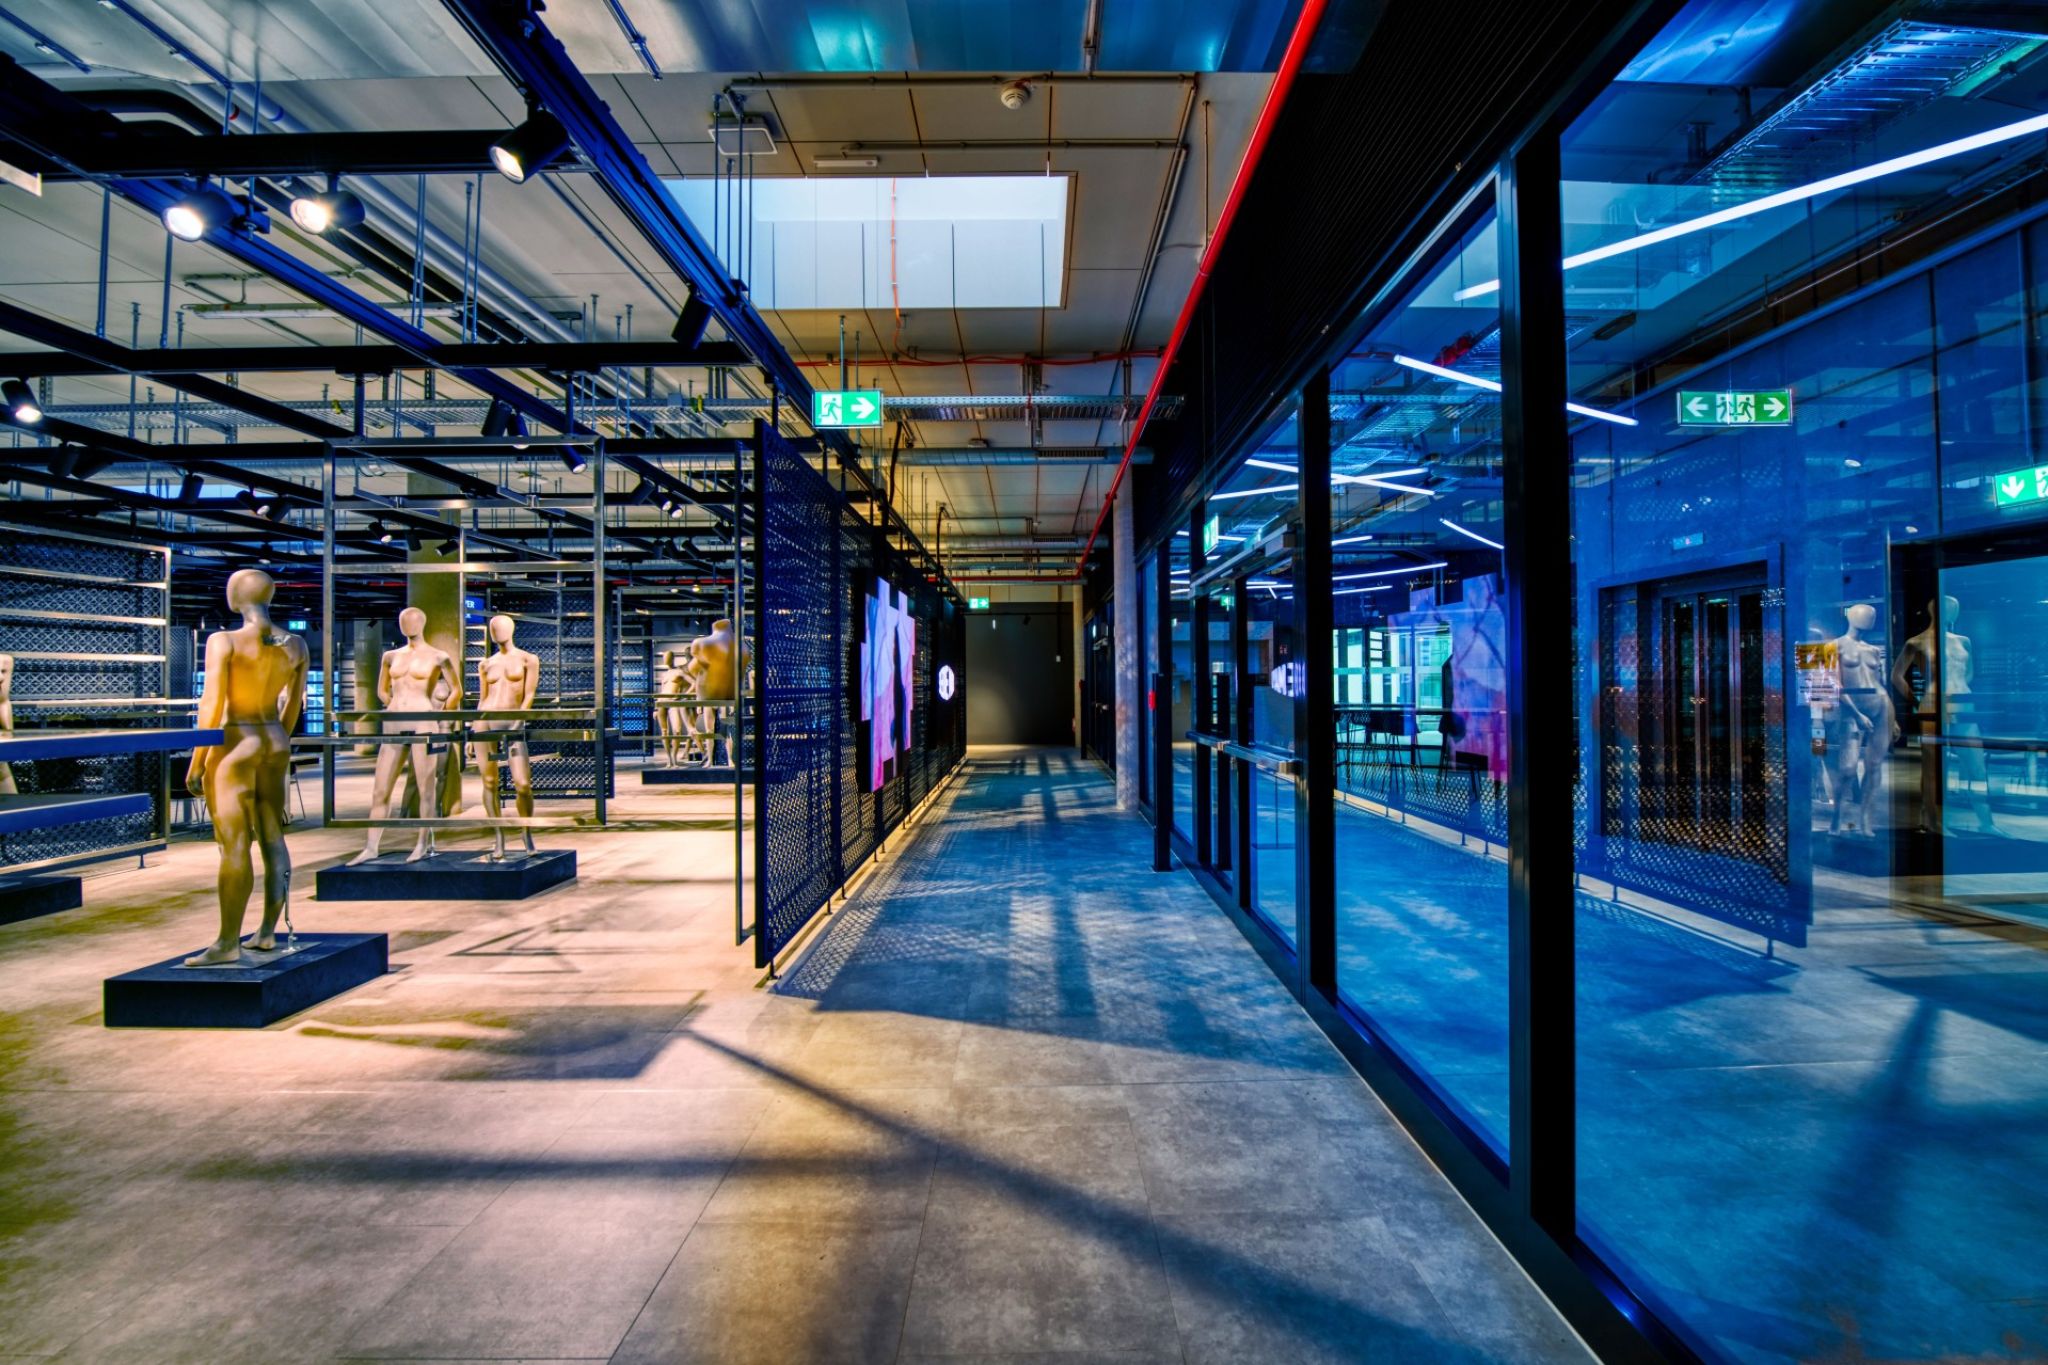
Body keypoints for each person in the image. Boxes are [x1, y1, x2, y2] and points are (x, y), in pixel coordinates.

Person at [183, 569, 308, 965]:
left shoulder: (224, 641)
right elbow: (293, 706)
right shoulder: (296, 644)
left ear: (235, 595)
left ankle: (226, 942)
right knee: (273, 835)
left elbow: (212, 703)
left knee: (234, 844)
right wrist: (280, 739)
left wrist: (197, 759)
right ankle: (269, 932)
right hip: (273, 738)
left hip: (236, 740)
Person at [348, 607, 460, 865]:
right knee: (380, 789)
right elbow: (381, 690)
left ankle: (423, 842)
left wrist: (439, 713)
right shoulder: (390, 656)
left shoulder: (438, 657)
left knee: (426, 786)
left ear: (422, 623)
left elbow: (456, 691)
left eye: (412, 621)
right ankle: (371, 845)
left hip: (423, 721)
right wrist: (392, 705)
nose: (407, 626)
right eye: (403, 622)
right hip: (395, 723)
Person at [473, 614, 539, 860]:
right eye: (492, 628)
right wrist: (473, 729)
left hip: (513, 722)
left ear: (511, 630)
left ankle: (526, 833)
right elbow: (482, 698)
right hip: (486, 721)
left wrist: (519, 718)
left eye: (499, 628)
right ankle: (498, 837)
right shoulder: (485, 664)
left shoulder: (527, 659)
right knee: (489, 782)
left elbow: (529, 693)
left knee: (523, 784)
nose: (496, 632)